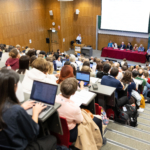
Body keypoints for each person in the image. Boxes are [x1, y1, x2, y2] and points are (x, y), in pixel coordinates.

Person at [0, 69, 57, 150]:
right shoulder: (16, 110)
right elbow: (34, 133)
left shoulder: (12, 108)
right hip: (19, 147)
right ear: (14, 86)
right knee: (52, 139)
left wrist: (21, 108)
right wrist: (36, 112)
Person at [56, 77, 105, 145]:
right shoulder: (74, 108)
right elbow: (80, 121)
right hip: (70, 133)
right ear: (73, 93)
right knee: (98, 120)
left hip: (55, 129)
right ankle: (101, 140)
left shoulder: (53, 98)